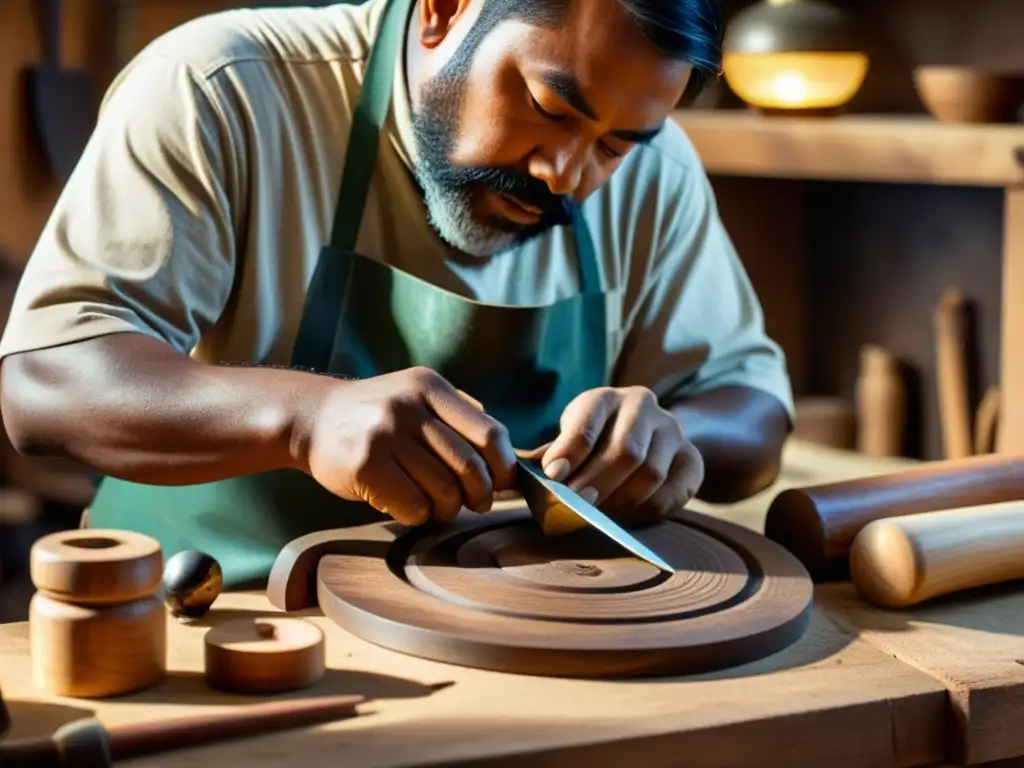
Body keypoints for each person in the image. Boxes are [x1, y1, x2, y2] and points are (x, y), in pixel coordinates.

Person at [0, 0, 793, 588]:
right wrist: (308, 419)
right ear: (445, 12)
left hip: (512, 630)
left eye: (615, 147)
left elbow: (752, 408)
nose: (566, 175)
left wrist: (669, 440)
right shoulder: (222, 86)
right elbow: (43, 385)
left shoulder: (659, 170)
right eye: (550, 108)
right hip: (212, 620)